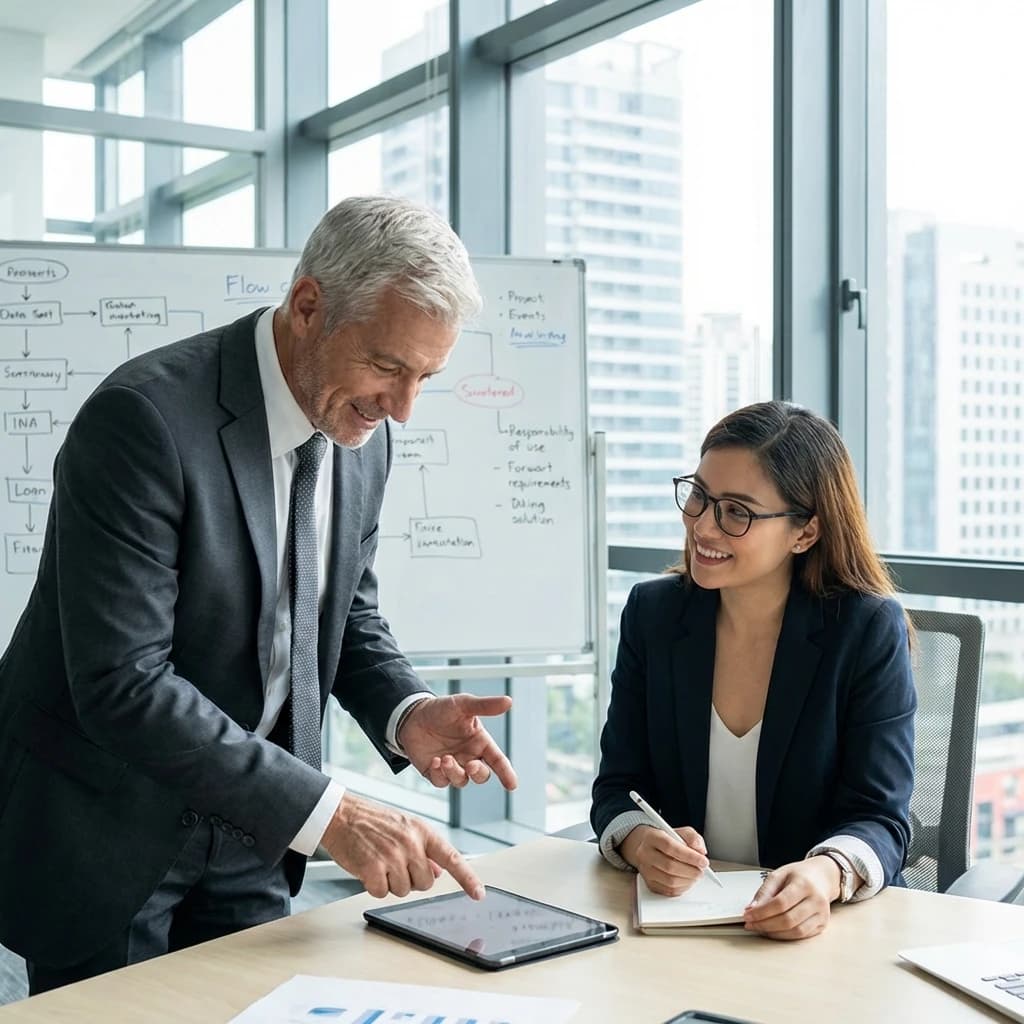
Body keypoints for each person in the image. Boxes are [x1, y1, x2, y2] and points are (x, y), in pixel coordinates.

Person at [0, 195, 518, 992]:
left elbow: (344, 613)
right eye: (387, 366)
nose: (403, 409)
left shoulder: (361, 439)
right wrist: (335, 815)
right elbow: (121, 682)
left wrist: (406, 712)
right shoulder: (142, 420)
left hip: (254, 830)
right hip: (108, 823)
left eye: (425, 377)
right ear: (309, 305)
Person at [591, 400, 915, 941]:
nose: (702, 525)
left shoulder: (864, 629)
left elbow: (880, 816)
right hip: (677, 926)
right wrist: (638, 838)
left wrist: (826, 874)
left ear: (804, 533)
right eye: (699, 495)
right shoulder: (654, 614)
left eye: (736, 511)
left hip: (815, 935)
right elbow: (620, 786)